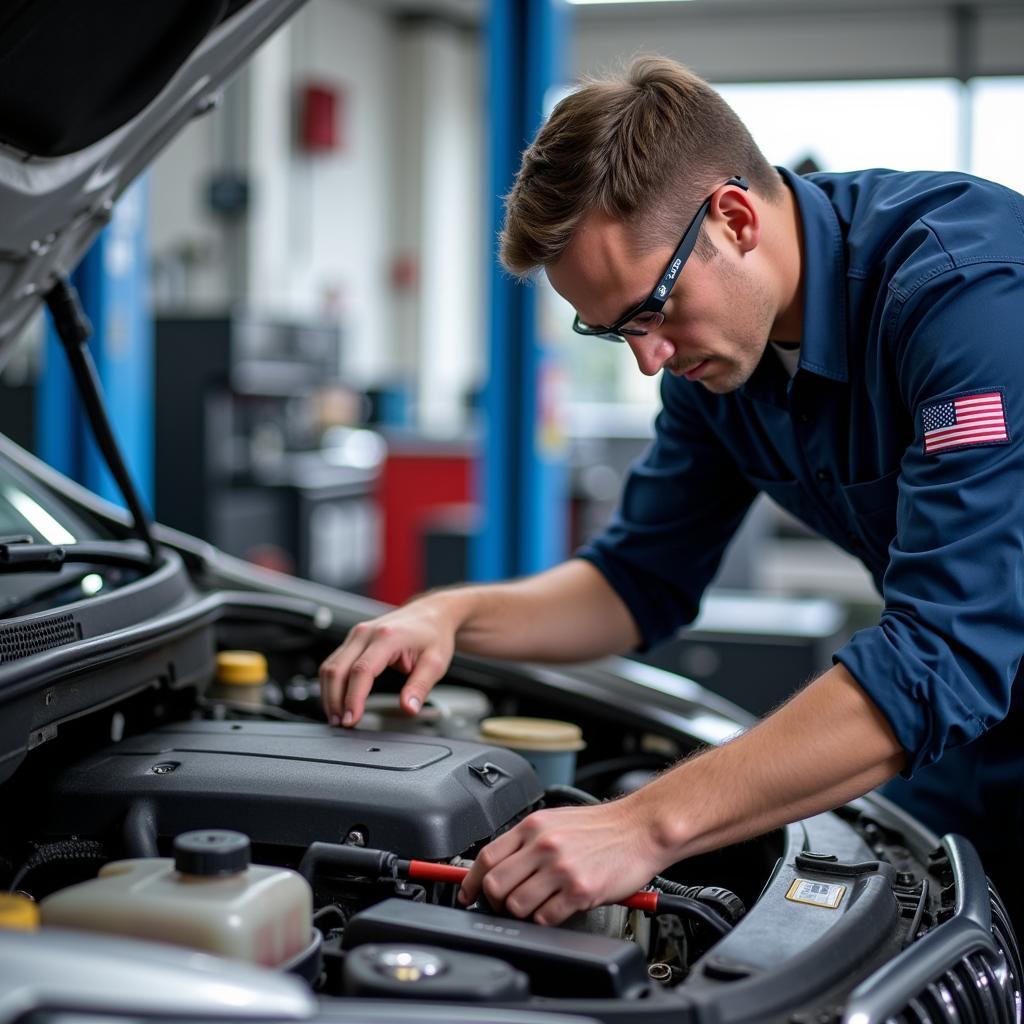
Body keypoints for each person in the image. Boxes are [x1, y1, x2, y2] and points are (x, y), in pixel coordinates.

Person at [320, 56, 1024, 932]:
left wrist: (642, 825)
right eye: (613, 330)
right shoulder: (719, 363)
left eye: (654, 310)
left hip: (960, 681)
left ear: (734, 218)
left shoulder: (966, 297)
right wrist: (454, 617)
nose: (649, 358)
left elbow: (944, 652)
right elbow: (637, 580)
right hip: (962, 734)